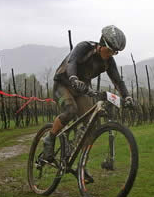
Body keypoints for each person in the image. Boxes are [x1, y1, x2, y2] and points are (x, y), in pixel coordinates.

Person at [43, 25, 133, 161]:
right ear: (102, 43)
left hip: (82, 90)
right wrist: (73, 78)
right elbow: (72, 62)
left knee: (90, 124)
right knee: (71, 110)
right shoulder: (84, 47)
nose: (110, 54)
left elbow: (117, 81)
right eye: (109, 50)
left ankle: (81, 164)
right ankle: (50, 138)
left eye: (114, 53)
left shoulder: (108, 62)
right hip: (62, 84)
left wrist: (127, 97)